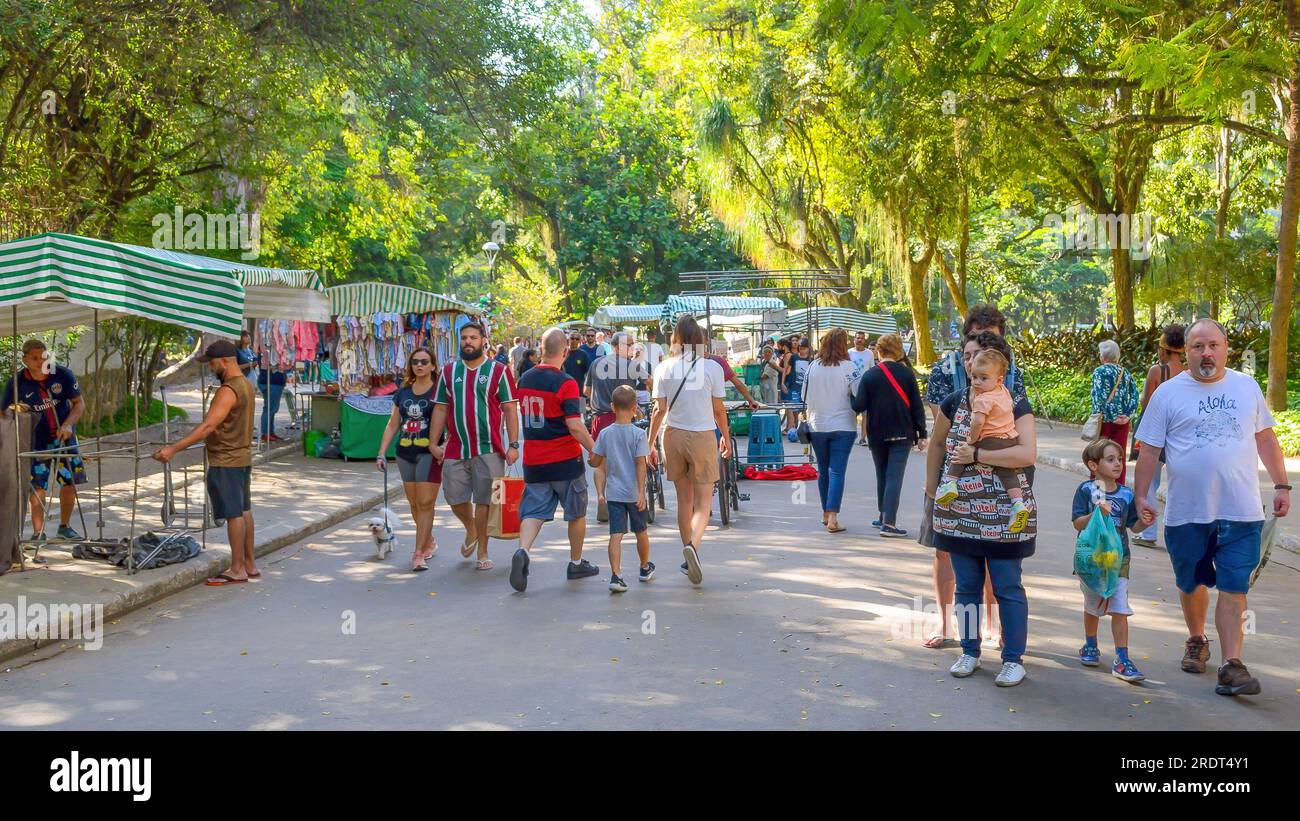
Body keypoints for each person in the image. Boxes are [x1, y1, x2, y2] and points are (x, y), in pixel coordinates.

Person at [1133, 318, 1290, 697]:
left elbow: (1265, 436)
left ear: (1226, 348)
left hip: (1242, 511)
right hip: (1187, 512)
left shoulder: (1245, 386)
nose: (1206, 353)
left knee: (1235, 587)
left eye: (1214, 345)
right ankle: (1196, 638)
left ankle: (1232, 664)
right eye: (1198, 346)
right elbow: (1150, 449)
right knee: (1192, 582)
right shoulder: (1168, 393)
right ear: (1185, 351)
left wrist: (1282, 484)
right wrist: (1141, 497)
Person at [924, 330, 1038, 686]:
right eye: (969, 358)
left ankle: (1013, 658)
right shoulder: (954, 401)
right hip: (959, 511)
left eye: (980, 357)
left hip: (1005, 510)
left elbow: (1026, 454)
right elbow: (938, 444)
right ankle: (970, 651)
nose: (972, 364)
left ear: (1000, 369)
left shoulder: (1015, 403)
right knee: (967, 586)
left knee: (1007, 585)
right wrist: (931, 491)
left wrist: (977, 455)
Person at [152, 340, 256, 585]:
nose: (210, 368)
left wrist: (173, 449)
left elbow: (208, 425)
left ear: (225, 361)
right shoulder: (247, 385)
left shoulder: (228, 390)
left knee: (233, 514)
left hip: (226, 459)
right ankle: (250, 564)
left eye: (211, 363)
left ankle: (238, 568)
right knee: (243, 510)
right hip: (242, 457)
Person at [509, 328, 600, 592]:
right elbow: (574, 425)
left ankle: (523, 551)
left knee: (534, 512)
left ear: (540, 348)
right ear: (565, 352)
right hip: (565, 460)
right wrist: (594, 449)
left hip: (535, 460)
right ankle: (575, 562)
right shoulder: (566, 382)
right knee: (576, 513)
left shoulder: (525, 378)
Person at [428, 322, 519, 571]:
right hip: (456, 447)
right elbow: (440, 408)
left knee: (485, 501)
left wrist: (513, 445)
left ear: (483, 340)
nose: (468, 342)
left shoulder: (498, 371)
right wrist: (433, 442)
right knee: (454, 497)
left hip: (489, 448)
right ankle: (471, 529)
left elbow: (510, 409)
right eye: (465, 338)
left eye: (473, 338)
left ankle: (483, 551)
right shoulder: (449, 371)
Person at [648, 314, 730, 585]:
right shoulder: (712, 368)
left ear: (675, 339)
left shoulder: (663, 368)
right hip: (702, 435)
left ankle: (687, 555)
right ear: (701, 339)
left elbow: (659, 410)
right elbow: (719, 410)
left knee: (684, 500)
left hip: (672, 435)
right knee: (703, 502)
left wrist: (649, 443)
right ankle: (693, 547)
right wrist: (726, 438)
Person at [1072, 437, 1147, 683]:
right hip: (1091, 559)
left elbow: (1132, 526)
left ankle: (1122, 658)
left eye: (1120, 459)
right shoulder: (1087, 490)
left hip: (1118, 559)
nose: (1118, 464)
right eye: (1110, 459)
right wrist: (1095, 513)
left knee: (1119, 607)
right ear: (1093, 466)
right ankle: (1090, 644)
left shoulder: (1126, 494)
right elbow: (1077, 523)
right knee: (1092, 604)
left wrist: (1144, 522)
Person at [1, 339, 88, 541]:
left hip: (64, 438)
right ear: (24, 360)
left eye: (43, 357)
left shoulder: (62, 375)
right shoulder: (17, 382)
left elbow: (79, 403)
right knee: (37, 485)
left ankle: (64, 527)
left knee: (69, 481)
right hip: (35, 441)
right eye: (34, 358)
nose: (41, 361)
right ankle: (38, 533)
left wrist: (67, 425)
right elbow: (3, 412)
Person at [935, 349, 1029, 533]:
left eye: (983, 378)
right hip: (1009, 440)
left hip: (989, 439)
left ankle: (951, 483)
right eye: (974, 377)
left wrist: (972, 439)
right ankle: (1018, 503)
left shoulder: (982, 399)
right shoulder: (1004, 393)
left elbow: (977, 422)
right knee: (1007, 473)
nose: (977, 382)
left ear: (999, 379)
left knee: (961, 452)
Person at [852, 332, 926, 537]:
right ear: (898, 350)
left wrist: (849, 393)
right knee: (895, 476)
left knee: (882, 474)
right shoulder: (907, 374)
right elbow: (917, 406)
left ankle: (882, 515)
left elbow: (858, 405)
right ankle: (890, 523)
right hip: (903, 432)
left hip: (877, 432)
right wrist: (922, 432)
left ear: (879, 350)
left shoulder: (870, 375)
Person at [376, 347, 442, 571]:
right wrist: (381, 452)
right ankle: (429, 540)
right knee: (414, 503)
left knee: (425, 503)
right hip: (404, 453)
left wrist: (443, 446)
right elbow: (393, 424)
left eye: (424, 361)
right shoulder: (403, 392)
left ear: (433, 365)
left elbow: (449, 423)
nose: (420, 365)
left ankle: (418, 553)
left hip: (429, 454)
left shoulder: (439, 392)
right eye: (415, 362)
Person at [591, 385, 653, 592]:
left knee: (615, 534)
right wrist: (641, 492)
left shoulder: (605, 434)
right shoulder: (638, 434)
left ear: (612, 407)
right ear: (635, 408)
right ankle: (644, 567)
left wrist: (600, 492)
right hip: (634, 494)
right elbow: (640, 464)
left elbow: (596, 462)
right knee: (641, 531)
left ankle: (616, 576)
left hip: (615, 494)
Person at [802, 328, 861, 533]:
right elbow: (858, 394)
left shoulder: (812, 366)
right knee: (836, 471)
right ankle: (834, 517)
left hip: (817, 425)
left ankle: (825, 513)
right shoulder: (850, 367)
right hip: (843, 425)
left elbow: (803, 394)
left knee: (823, 470)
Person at [587, 333, 652, 518]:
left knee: (600, 464)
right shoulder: (632, 366)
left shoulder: (596, 364)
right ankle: (631, 498)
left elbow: (586, 390)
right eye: (629, 345)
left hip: (600, 418)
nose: (632, 349)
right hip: (624, 418)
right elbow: (649, 381)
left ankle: (601, 497)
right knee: (630, 461)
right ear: (617, 346)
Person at [1132, 324, 1186, 548]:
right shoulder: (1188, 372)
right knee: (1179, 484)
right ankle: (1179, 533)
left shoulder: (1157, 371)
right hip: (1180, 434)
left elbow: (1146, 402)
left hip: (1155, 435)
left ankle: (1148, 532)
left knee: (1150, 484)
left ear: (1163, 350)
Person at [924, 303, 1025, 421]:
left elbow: (1021, 419)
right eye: (976, 338)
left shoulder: (1013, 374)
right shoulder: (943, 372)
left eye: (991, 340)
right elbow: (942, 428)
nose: (983, 345)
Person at [1089, 340, 1139, 485]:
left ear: (1102, 356)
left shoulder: (1099, 372)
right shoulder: (1125, 372)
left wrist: (1107, 415)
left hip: (1104, 422)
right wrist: (1127, 415)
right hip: (1122, 423)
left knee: (1099, 455)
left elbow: (1098, 398)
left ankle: (1099, 489)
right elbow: (1135, 395)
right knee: (1119, 456)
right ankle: (1119, 488)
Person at [254, 346, 289, 442]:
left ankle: (269, 432)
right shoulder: (270, 348)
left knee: (271, 408)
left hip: (269, 381)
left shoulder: (265, 349)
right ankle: (265, 433)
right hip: (273, 382)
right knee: (270, 409)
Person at [848, 331, 876, 445]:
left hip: (865, 387)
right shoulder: (848, 353)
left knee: (865, 414)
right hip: (851, 387)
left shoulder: (869, 353)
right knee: (852, 413)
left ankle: (863, 438)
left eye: (862, 338)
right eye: (857, 338)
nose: (859, 340)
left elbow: (872, 369)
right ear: (854, 339)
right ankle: (852, 434)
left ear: (865, 340)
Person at [562, 332, 594, 417]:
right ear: (568, 340)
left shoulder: (583, 354)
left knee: (583, 412)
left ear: (580, 340)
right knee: (566, 412)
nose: (574, 340)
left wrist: (588, 387)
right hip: (564, 388)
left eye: (577, 339)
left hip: (580, 388)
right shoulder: (563, 353)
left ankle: (584, 425)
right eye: (572, 338)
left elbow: (588, 372)